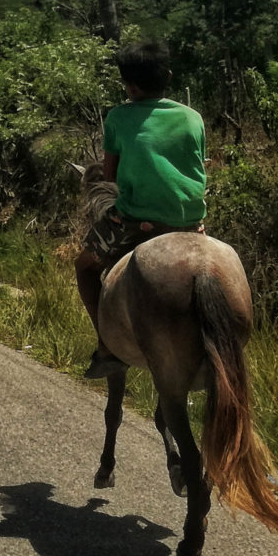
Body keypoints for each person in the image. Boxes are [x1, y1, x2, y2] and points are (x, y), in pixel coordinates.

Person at [75, 39, 207, 378]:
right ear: (169, 76)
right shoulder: (194, 118)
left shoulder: (118, 117)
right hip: (190, 222)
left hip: (137, 221)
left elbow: (109, 176)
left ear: (130, 84)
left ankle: (106, 346)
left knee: (85, 265)